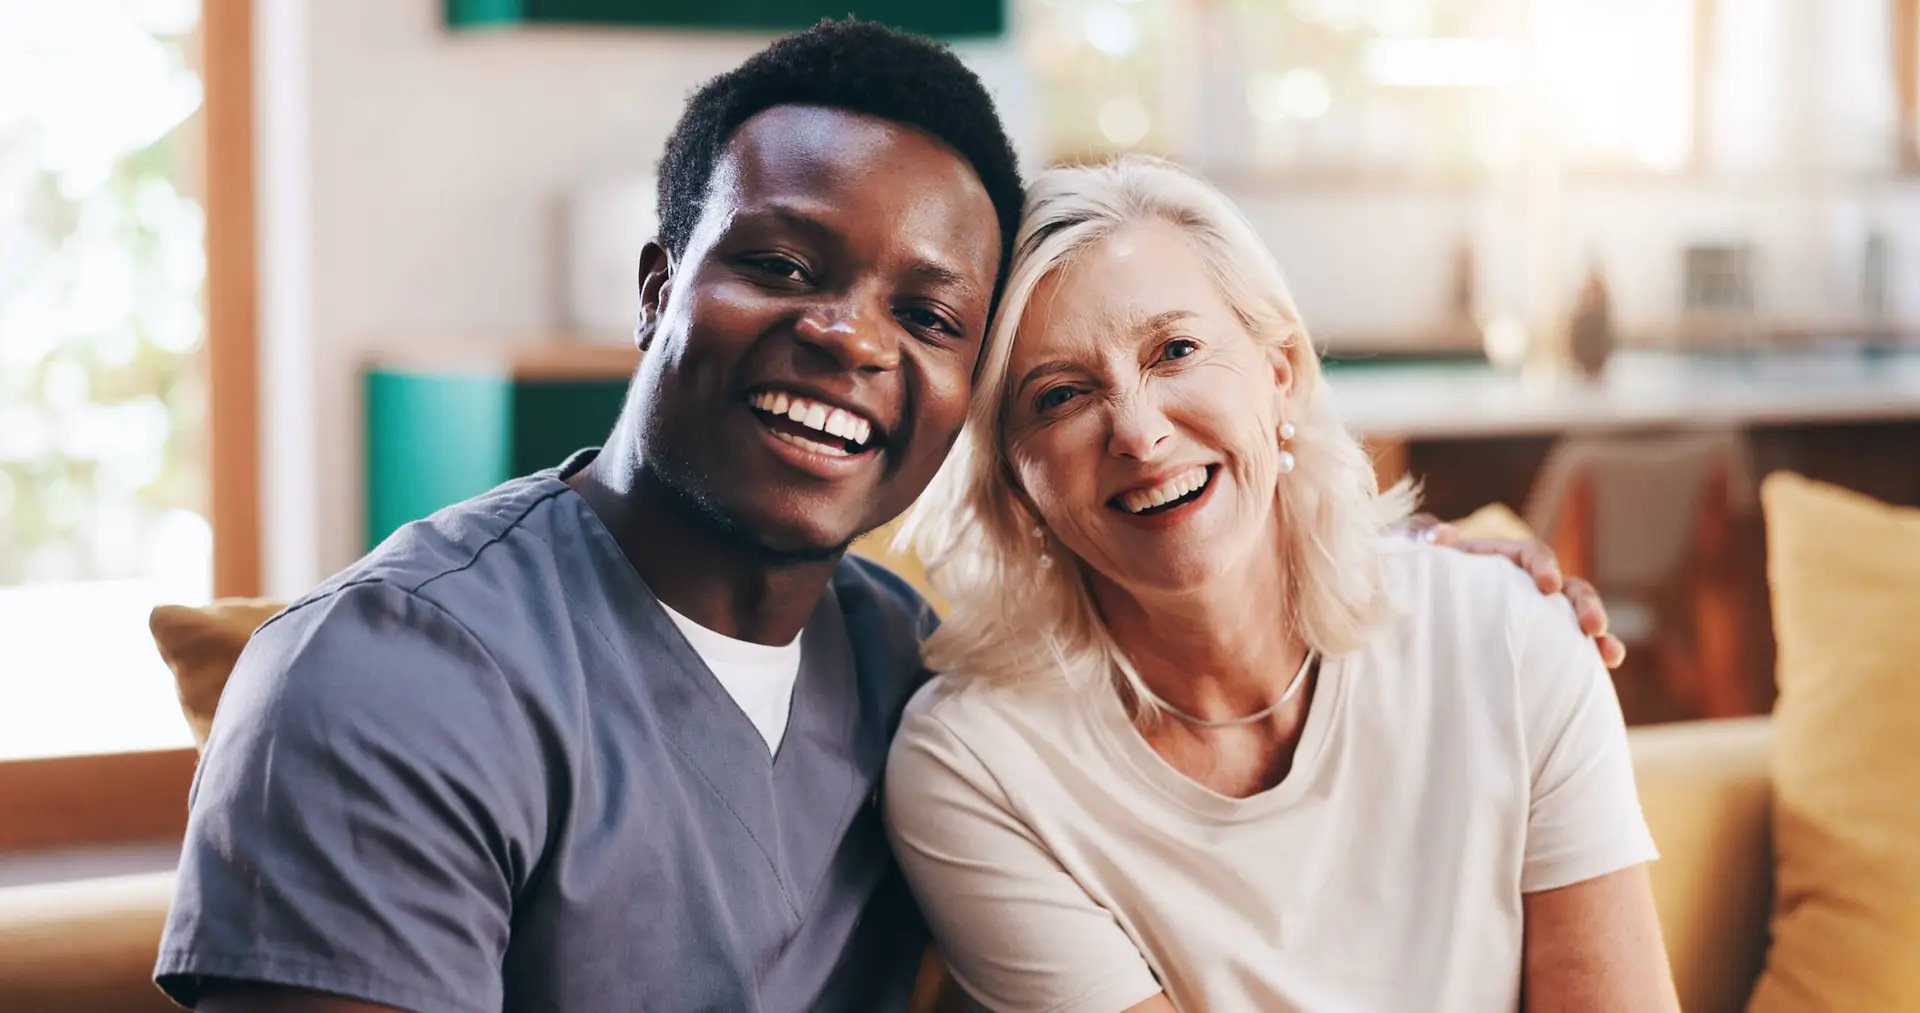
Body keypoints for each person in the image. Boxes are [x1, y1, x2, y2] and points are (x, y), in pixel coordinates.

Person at [156, 21, 1622, 1013]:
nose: (851, 338)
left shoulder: (901, 662)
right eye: (786, 265)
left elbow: (1186, 610)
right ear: (660, 287)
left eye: (927, 313)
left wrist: (1415, 565)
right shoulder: (383, 691)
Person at [884, 156, 1678, 1013]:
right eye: (1063, 395)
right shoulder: (976, 768)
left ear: (1281, 373)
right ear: (1016, 481)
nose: (1140, 434)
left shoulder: (1512, 636)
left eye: (1176, 350)